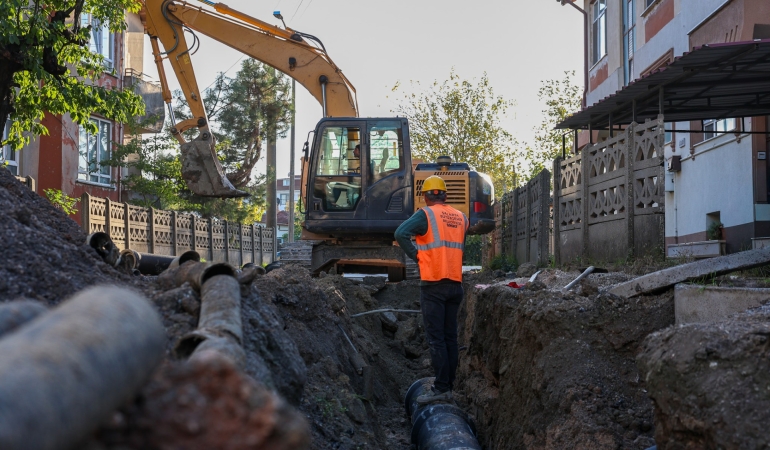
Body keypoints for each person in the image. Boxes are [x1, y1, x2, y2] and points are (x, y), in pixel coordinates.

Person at [394, 175, 468, 404]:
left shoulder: (425, 215)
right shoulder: (461, 217)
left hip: (433, 284)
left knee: (436, 340)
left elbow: (400, 233)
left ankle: (441, 389)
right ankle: (449, 386)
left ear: (425, 196)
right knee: (450, 337)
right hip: (455, 285)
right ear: (444, 195)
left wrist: (417, 256)